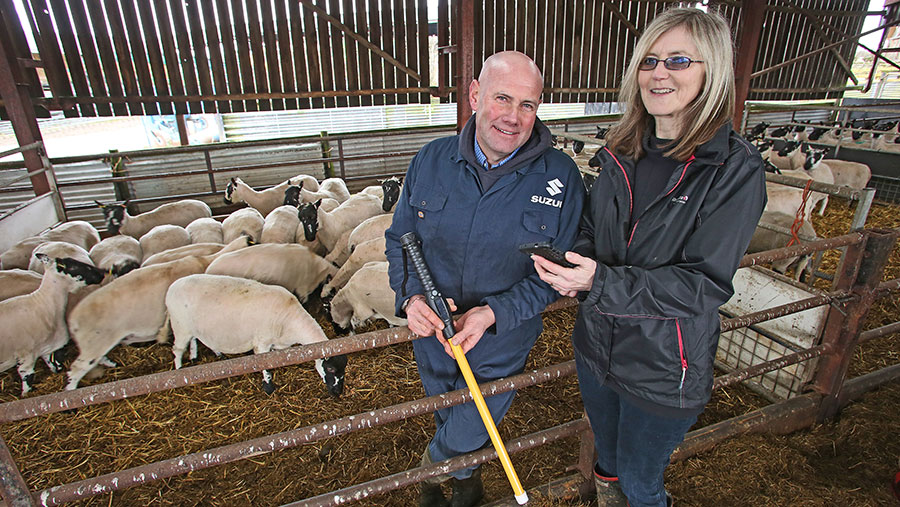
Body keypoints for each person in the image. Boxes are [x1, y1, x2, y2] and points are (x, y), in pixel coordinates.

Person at [532, 8, 766, 507]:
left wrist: (600, 283)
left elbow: (702, 284)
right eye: (650, 60)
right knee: (608, 465)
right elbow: (593, 229)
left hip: (664, 369)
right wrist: (577, 268)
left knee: (641, 484)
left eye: (679, 60)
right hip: (597, 349)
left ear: (712, 71)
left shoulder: (731, 170)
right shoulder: (621, 151)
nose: (659, 73)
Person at [384, 50, 585, 507]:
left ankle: (434, 471)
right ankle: (465, 478)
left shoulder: (561, 177)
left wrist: (495, 312)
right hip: (434, 329)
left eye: (528, 105)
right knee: (446, 409)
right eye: (502, 98)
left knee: (472, 421)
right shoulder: (432, 160)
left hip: (502, 335)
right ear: (475, 95)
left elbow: (561, 269)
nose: (513, 117)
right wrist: (411, 297)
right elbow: (400, 237)